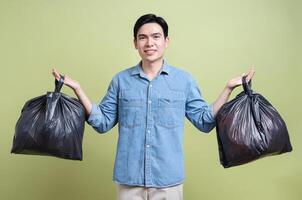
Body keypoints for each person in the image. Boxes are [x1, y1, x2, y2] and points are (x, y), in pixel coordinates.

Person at [52, 13, 255, 200]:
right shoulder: (121, 81)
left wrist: (228, 89)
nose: (149, 43)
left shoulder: (183, 81)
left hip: (168, 181)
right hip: (129, 180)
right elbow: (102, 122)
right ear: (135, 43)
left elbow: (204, 121)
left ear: (166, 41)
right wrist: (78, 90)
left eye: (156, 37)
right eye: (143, 37)